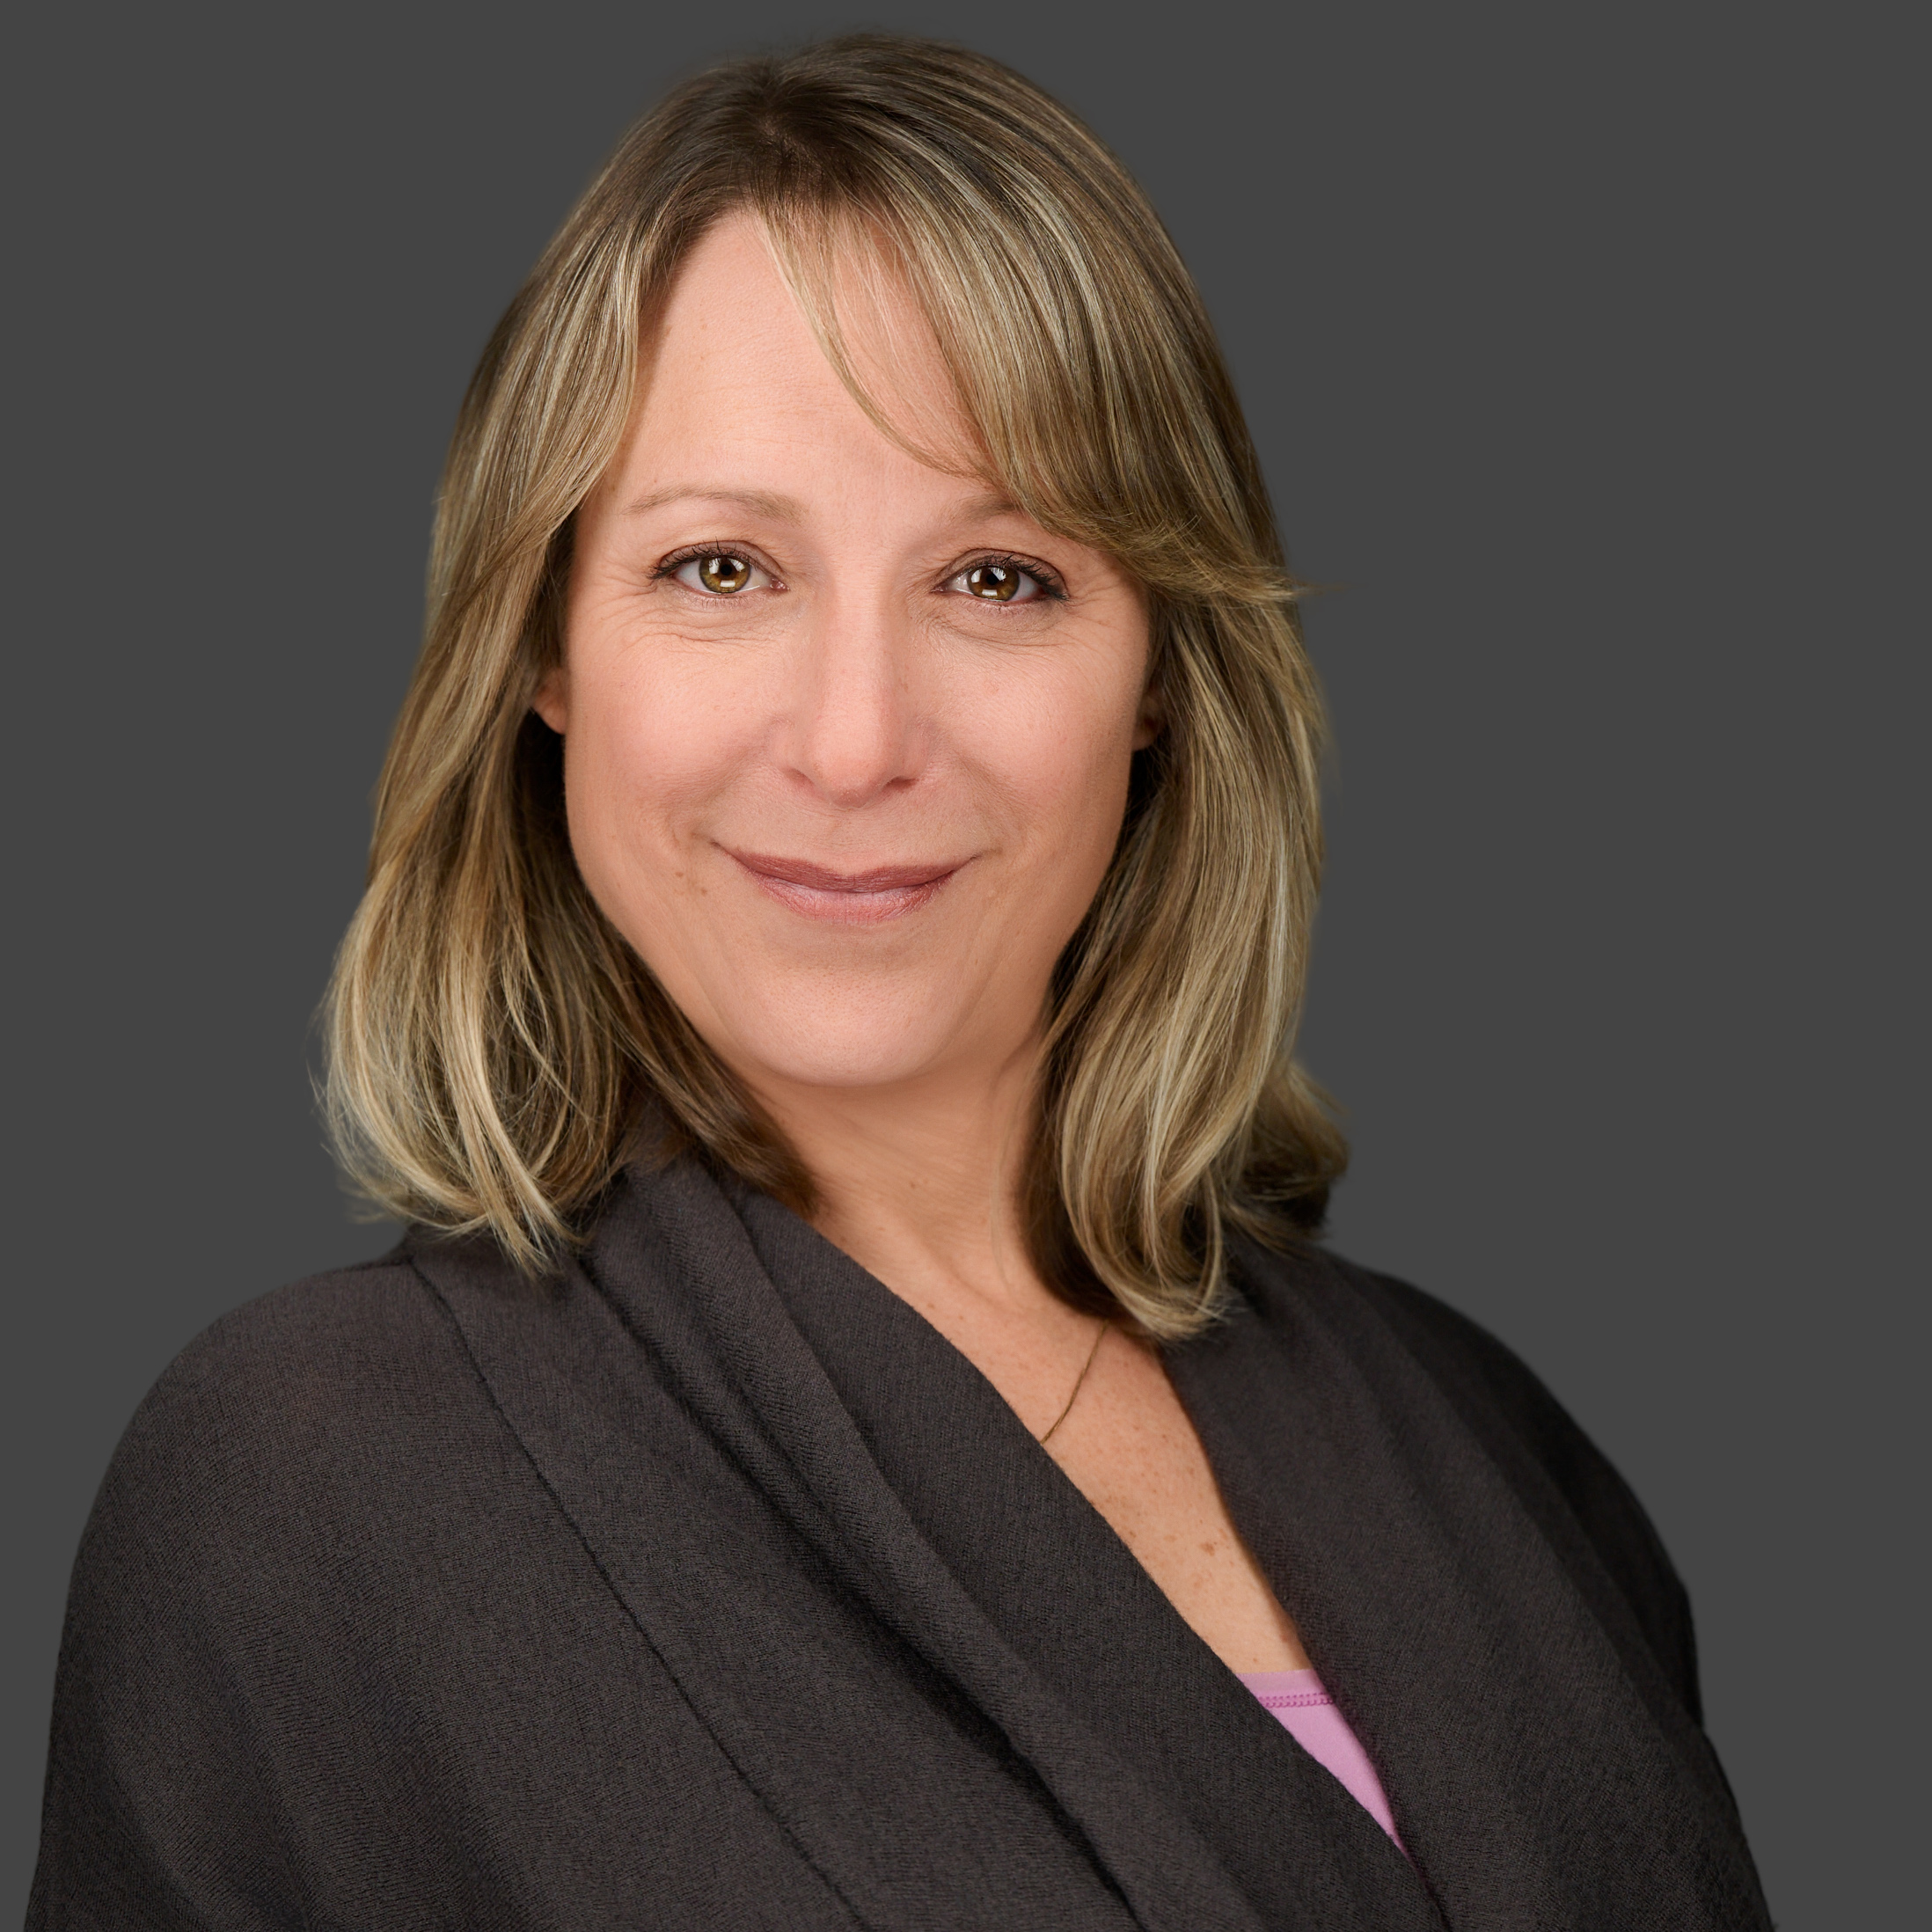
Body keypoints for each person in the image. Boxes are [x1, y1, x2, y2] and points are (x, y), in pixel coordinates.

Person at [29, 34, 1771, 1930]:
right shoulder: (309, 1491)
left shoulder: (1486, 1444)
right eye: (718, 569)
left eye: (1000, 578)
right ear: (543, 650)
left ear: (1162, 678)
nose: (856, 742)